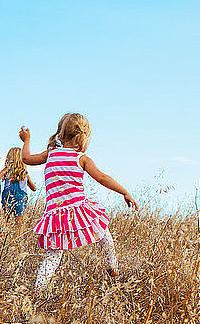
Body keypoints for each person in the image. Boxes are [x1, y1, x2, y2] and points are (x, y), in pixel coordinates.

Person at [19, 113, 138, 296]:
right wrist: (124, 192)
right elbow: (102, 178)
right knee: (104, 233)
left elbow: (25, 158)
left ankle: (39, 291)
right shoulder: (81, 158)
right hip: (78, 209)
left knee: (53, 256)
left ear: (61, 134)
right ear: (83, 138)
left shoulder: (50, 155)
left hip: (55, 214)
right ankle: (113, 269)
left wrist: (26, 140)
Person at [0, 147, 37, 233]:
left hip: (8, 198)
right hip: (21, 199)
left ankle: (6, 239)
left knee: (6, 223)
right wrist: (26, 182)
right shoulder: (24, 173)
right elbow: (34, 188)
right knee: (19, 225)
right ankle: (17, 240)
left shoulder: (6, 170)